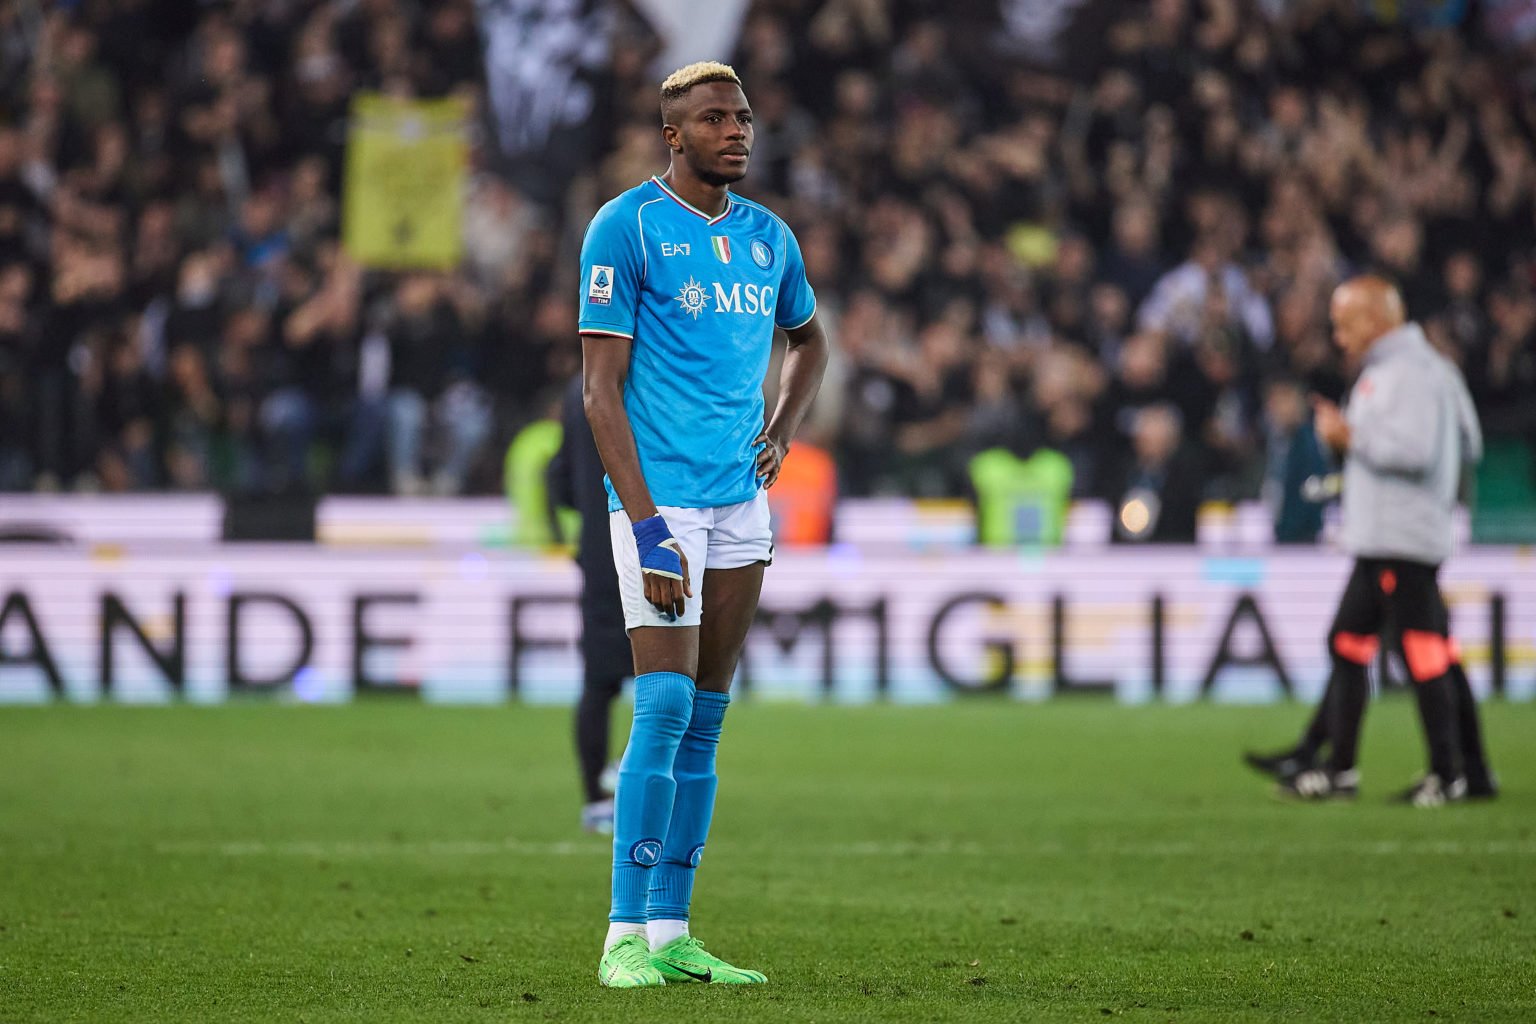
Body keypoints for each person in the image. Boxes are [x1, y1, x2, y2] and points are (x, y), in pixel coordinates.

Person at [578, 62, 828, 987]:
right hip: (660, 499)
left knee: (708, 719)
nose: (738, 132)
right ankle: (619, 939)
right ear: (673, 135)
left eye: (745, 117)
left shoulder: (768, 239)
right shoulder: (626, 226)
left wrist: (781, 431)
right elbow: (599, 393)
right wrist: (646, 527)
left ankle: (673, 930)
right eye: (716, 119)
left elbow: (812, 342)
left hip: (738, 499)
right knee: (667, 702)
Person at [1266, 275, 1487, 806]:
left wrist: (1350, 438)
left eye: (1344, 325)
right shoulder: (1414, 369)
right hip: (1387, 536)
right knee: (1354, 643)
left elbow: (1414, 452)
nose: (1339, 338)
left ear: (1374, 318)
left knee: (1424, 655)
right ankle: (1350, 768)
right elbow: (1470, 441)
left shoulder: (1407, 374)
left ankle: (1446, 773)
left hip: (1400, 540)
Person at [546, 374, 632, 835]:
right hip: (651, 547)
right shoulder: (650, 380)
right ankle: (630, 770)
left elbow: (558, 479)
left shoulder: (577, 390)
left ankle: (595, 799)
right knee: (671, 676)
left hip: (598, 558)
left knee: (598, 683)